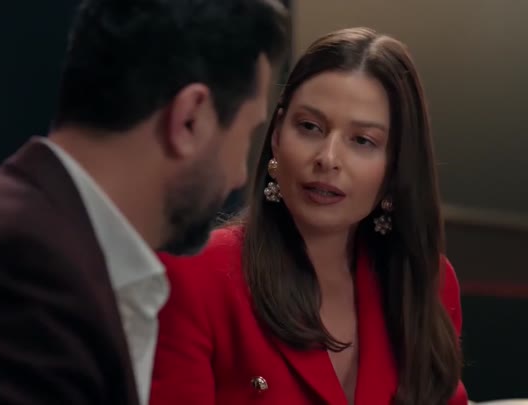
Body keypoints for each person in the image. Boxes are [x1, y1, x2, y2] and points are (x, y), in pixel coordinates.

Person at [0, 0, 287, 404]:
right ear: (190, 119)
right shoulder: (23, 268)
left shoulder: (31, 234)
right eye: (247, 135)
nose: (238, 175)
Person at [151, 27, 467, 405]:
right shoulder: (196, 278)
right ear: (276, 136)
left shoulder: (426, 281)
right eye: (309, 127)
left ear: (397, 166)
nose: (328, 158)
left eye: (362, 140)